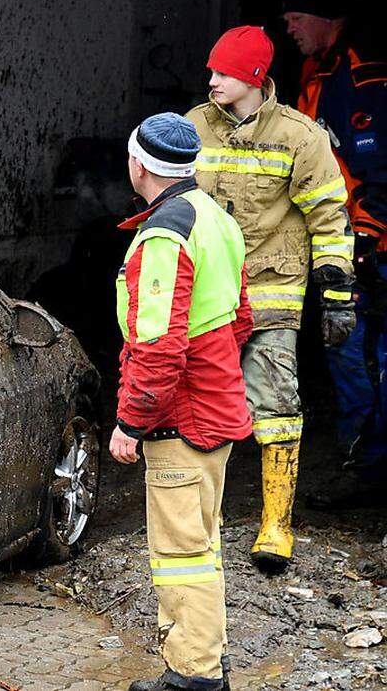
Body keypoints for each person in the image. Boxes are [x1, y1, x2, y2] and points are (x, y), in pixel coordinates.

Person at [186, 25, 356, 572]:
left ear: (255, 78)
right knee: (201, 405)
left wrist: (337, 293)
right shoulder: (192, 128)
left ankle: (276, 524)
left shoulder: (300, 137)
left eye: (225, 73)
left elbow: (330, 217)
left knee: (276, 406)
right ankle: (198, 520)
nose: (212, 81)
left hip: (270, 294)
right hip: (209, 295)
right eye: (211, 71)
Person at [111, 113, 252, 691]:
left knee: (181, 554)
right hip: (215, 408)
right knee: (202, 545)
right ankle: (203, 657)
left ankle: (194, 675)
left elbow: (158, 347)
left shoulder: (164, 236)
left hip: (181, 420)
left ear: (138, 165)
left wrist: (129, 423)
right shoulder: (215, 218)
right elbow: (241, 318)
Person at [284, 0, 387, 509]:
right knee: (346, 348)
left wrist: (368, 236)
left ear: (325, 15)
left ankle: (371, 470)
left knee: (366, 352)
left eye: (297, 16)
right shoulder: (318, 73)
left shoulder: (360, 71)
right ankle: (363, 465)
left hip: (372, 244)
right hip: (343, 239)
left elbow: (379, 167)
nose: (290, 28)